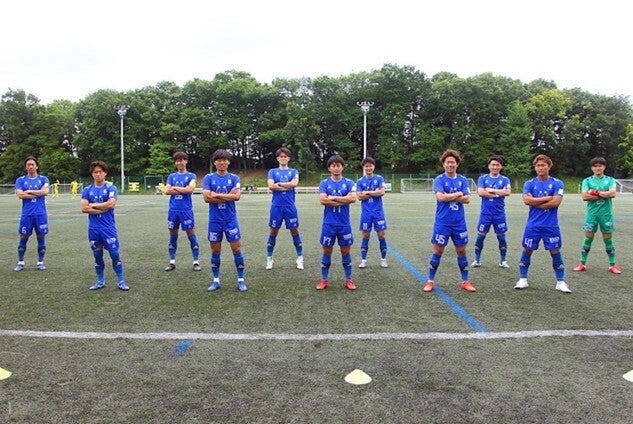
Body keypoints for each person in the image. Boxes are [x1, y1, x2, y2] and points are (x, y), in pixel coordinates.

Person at [514, 154, 570, 293]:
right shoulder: (529, 184)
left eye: (543, 165)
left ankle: (560, 282)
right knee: (527, 249)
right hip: (533, 224)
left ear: (549, 166)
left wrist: (535, 201)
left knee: (555, 251)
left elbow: (555, 202)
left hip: (551, 225)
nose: (540, 168)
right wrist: (547, 198)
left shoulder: (557, 183)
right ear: (535, 167)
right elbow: (527, 201)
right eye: (538, 165)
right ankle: (523, 279)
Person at [424, 149, 476, 293]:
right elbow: (440, 197)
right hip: (443, 222)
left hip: (459, 222)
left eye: (453, 162)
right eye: (448, 162)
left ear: (457, 164)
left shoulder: (462, 180)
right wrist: (458, 194)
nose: (450, 165)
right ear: (444, 164)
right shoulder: (439, 180)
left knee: (462, 251)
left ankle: (465, 281)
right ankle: (430, 281)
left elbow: (467, 199)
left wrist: (450, 196)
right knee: (438, 251)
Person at [202, 149, 247, 292]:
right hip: (215, 221)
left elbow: (237, 197)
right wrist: (228, 196)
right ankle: (216, 281)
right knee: (215, 251)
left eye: (224, 160)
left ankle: (241, 280)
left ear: (228, 162)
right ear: (215, 162)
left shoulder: (234, 178)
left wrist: (216, 195)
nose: (222, 162)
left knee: (236, 249)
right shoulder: (208, 178)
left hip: (230, 220)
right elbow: (206, 198)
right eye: (219, 160)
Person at [80, 161, 129, 291]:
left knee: (114, 255)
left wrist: (93, 205)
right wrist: (101, 209)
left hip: (108, 228)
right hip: (93, 229)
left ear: (105, 173)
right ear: (92, 174)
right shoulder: (87, 190)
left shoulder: (111, 188)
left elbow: (111, 204)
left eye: (100, 172)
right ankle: (100, 281)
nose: (98, 174)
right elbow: (84, 208)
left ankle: (121, 281)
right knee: (97, 256)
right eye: (95, 172)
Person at [573, 157, 621, 274]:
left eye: (600, 166)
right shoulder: (587, 181)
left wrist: (595, 192)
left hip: (606, 214)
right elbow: (585, 196)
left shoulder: (610, 180)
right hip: (592, 214)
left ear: (604, 167)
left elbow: (613, 193)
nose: (598, 168)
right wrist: (604, 194)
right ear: (592, 168)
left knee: (608, 240)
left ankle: (612, 265)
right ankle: (582, 263)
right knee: (588, 239)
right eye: (595, 166)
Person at [317, 155, 357, 291]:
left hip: (344, 224)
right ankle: (323, 280)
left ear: (342, 167)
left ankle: (349, 279)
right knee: (327, 251)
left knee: (345, 252)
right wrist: (343, 199)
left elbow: (353, 199)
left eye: (338, 165)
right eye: (333, 166)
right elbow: (323, 200)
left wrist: (333, 198)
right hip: (328, 224)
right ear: (329, 168)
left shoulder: (349, 183)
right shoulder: (324, 183)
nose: (336, 168)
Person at [265, 147, 304, 270]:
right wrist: (287, 186)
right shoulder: (272, 171)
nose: (283, 158)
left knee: (294, 231)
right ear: (277, 158)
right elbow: (271, 186)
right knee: (273, 231)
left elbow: (294, 184)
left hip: (290, 206)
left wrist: (279, 184)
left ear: (289, 158)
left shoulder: (293, 171)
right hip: (276, 206)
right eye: (281, 156)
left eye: (285, 156)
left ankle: (300, 258)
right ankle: (269, 258)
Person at [471, 155, 512, 268]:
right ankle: (477, 260)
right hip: (485, 214)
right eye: (493, 165)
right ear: (489, 166)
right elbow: (481, 192)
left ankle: (503, 261)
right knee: (480, 237)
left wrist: (492, 190)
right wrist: (499, 193)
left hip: (499, 214)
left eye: (497, 165)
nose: (495, 167)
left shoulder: (505, 179)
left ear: (501, 166)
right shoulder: (483, 178)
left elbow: (508, 192)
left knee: (501, 238)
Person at [164, 151, 201, 272]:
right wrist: (182, 189)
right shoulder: (171, 176)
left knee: (191, 236)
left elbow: (190, 190)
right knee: (173, 237)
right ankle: (172, 262)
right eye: (177, 161)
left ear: (186, 161)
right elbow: (167, 191)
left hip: (186, 210)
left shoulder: (191, 176)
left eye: (181, 160)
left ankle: (196, 262)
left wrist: (175, 188)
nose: (179, 163)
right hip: (173, 211)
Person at [14, 156, 50, 271]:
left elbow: (46, 192)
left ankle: (40, 262)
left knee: (41, 237)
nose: (30, 167)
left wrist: (29, 191)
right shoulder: (20, 180)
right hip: (27, 214)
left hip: (40, 214)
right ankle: (20, 262)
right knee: (23, 237)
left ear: (36, 166)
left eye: (32, 164)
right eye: (28, 165)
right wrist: (39, 193)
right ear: (26, 167)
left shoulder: (43, 179)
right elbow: (20, 195)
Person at [356, 157, 388, 269]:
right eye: (366, 166)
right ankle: (363, 260)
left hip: (378, 212)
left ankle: (383, 260)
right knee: (365, 235)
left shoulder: (379, 178)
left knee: (381, 235)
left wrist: (367, 192)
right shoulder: (360, 181)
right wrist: (374, 193)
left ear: (373, 167)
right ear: (363, 167)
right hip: (366, 213)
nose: (368, 168)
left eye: (370, 166)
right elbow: (359, 197)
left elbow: (382, 192)